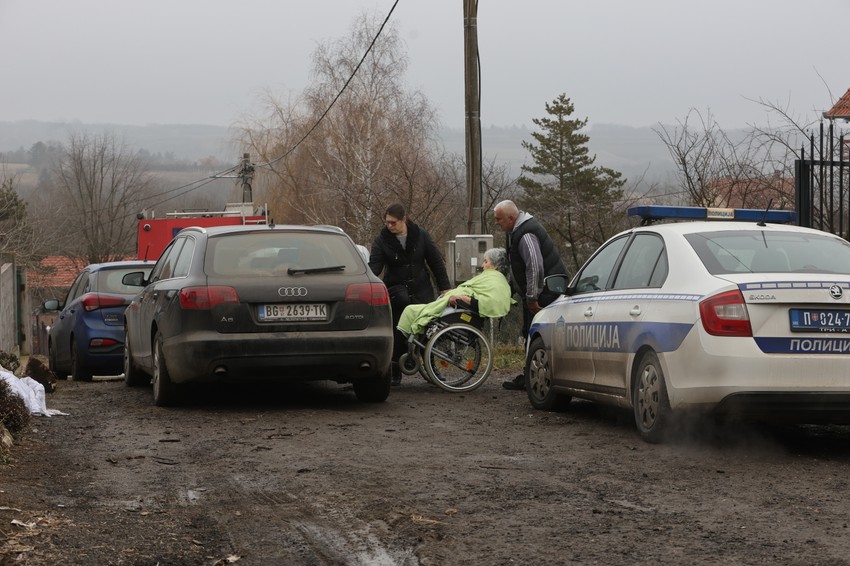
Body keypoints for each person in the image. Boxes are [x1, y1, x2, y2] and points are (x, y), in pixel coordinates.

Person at [369, 203, 451, 385]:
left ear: (403, 219)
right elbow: (375, 267)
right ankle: (395, 369)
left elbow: (435, 261)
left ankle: (431, 369)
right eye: (387, 222)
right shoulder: (382, 240)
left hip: (422, 290)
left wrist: (444, 287)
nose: (389, 226)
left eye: (393, 223)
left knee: (428, 331)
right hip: (397, 292)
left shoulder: (420, 235)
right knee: (399, 331)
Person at [493, 200, 568, 391]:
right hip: (539, 291)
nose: (497, 223)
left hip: (545, 293)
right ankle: (531, 374)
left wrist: (532, 297)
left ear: (511, 218)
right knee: (529, 332)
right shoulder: (516, 231)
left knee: (536, 335)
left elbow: (535, 267)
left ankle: (536, 376)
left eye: (499, 219)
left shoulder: (525, 233)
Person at [397, 247, 513, 336]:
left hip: (460, 309)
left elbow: (486, 301)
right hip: (453, 304)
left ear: (495, 265)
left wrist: (460, 298)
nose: (482, 265)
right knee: (411, 310)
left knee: (410, 311)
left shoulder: (494, 279)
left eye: (486, 261)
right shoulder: (495, 279)